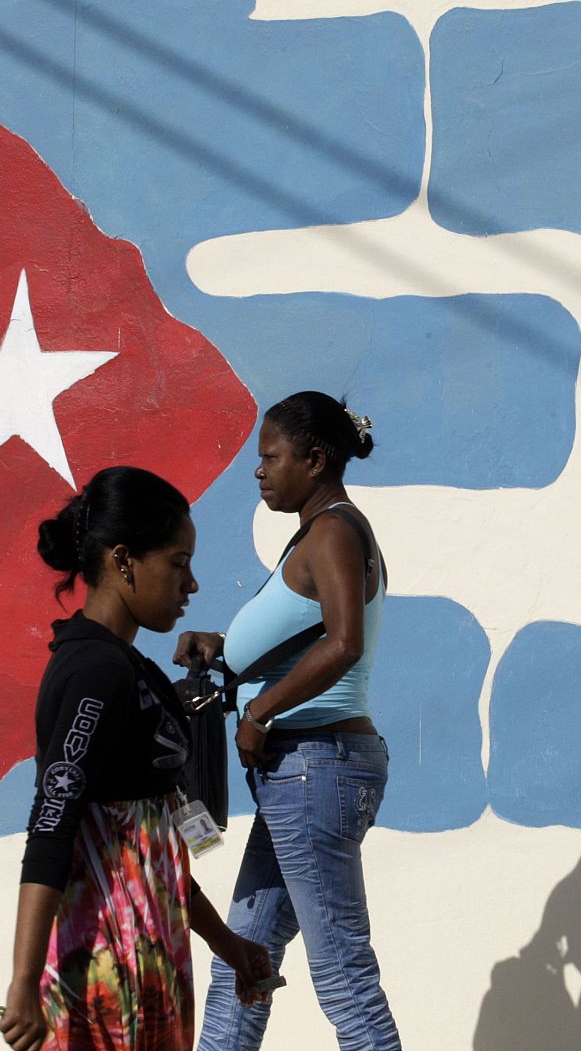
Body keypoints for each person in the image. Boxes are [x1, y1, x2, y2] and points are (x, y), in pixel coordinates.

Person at [0, 466, 273, 1051]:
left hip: (149, 955)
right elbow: (52, 823)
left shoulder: (133, 669)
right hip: (104, 965)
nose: (191, 584)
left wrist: (226, 943)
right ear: (124, 561)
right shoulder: (94, 672)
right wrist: (24, 984)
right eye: (178, 563)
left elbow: (154, 846)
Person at [177, 392, 401, 1051]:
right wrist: (221, 647)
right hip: (305, 772)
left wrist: (260, 710)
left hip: (313, 767)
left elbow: (343, 640)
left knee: (344, 980)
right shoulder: (317, 531)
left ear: (316, 458)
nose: (259, 470)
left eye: (271, 456)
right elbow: (301, 641)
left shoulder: (332, 529)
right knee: (243, 960)